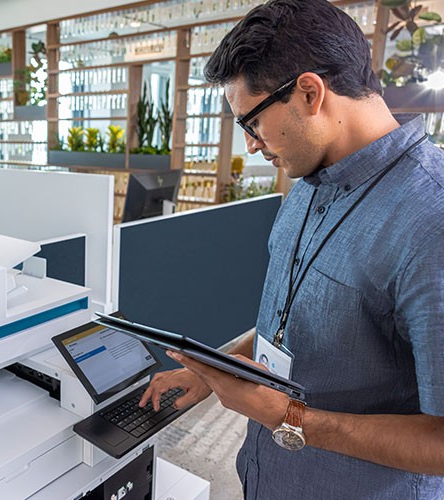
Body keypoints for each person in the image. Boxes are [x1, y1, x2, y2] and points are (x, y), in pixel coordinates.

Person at [139, 0, 444, 498]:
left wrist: (289, 417)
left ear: (309, 92)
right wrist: (211, 370)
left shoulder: (432, 220)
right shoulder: (304, 182)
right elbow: (298, 318)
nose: (252, 145)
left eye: (251, 122)